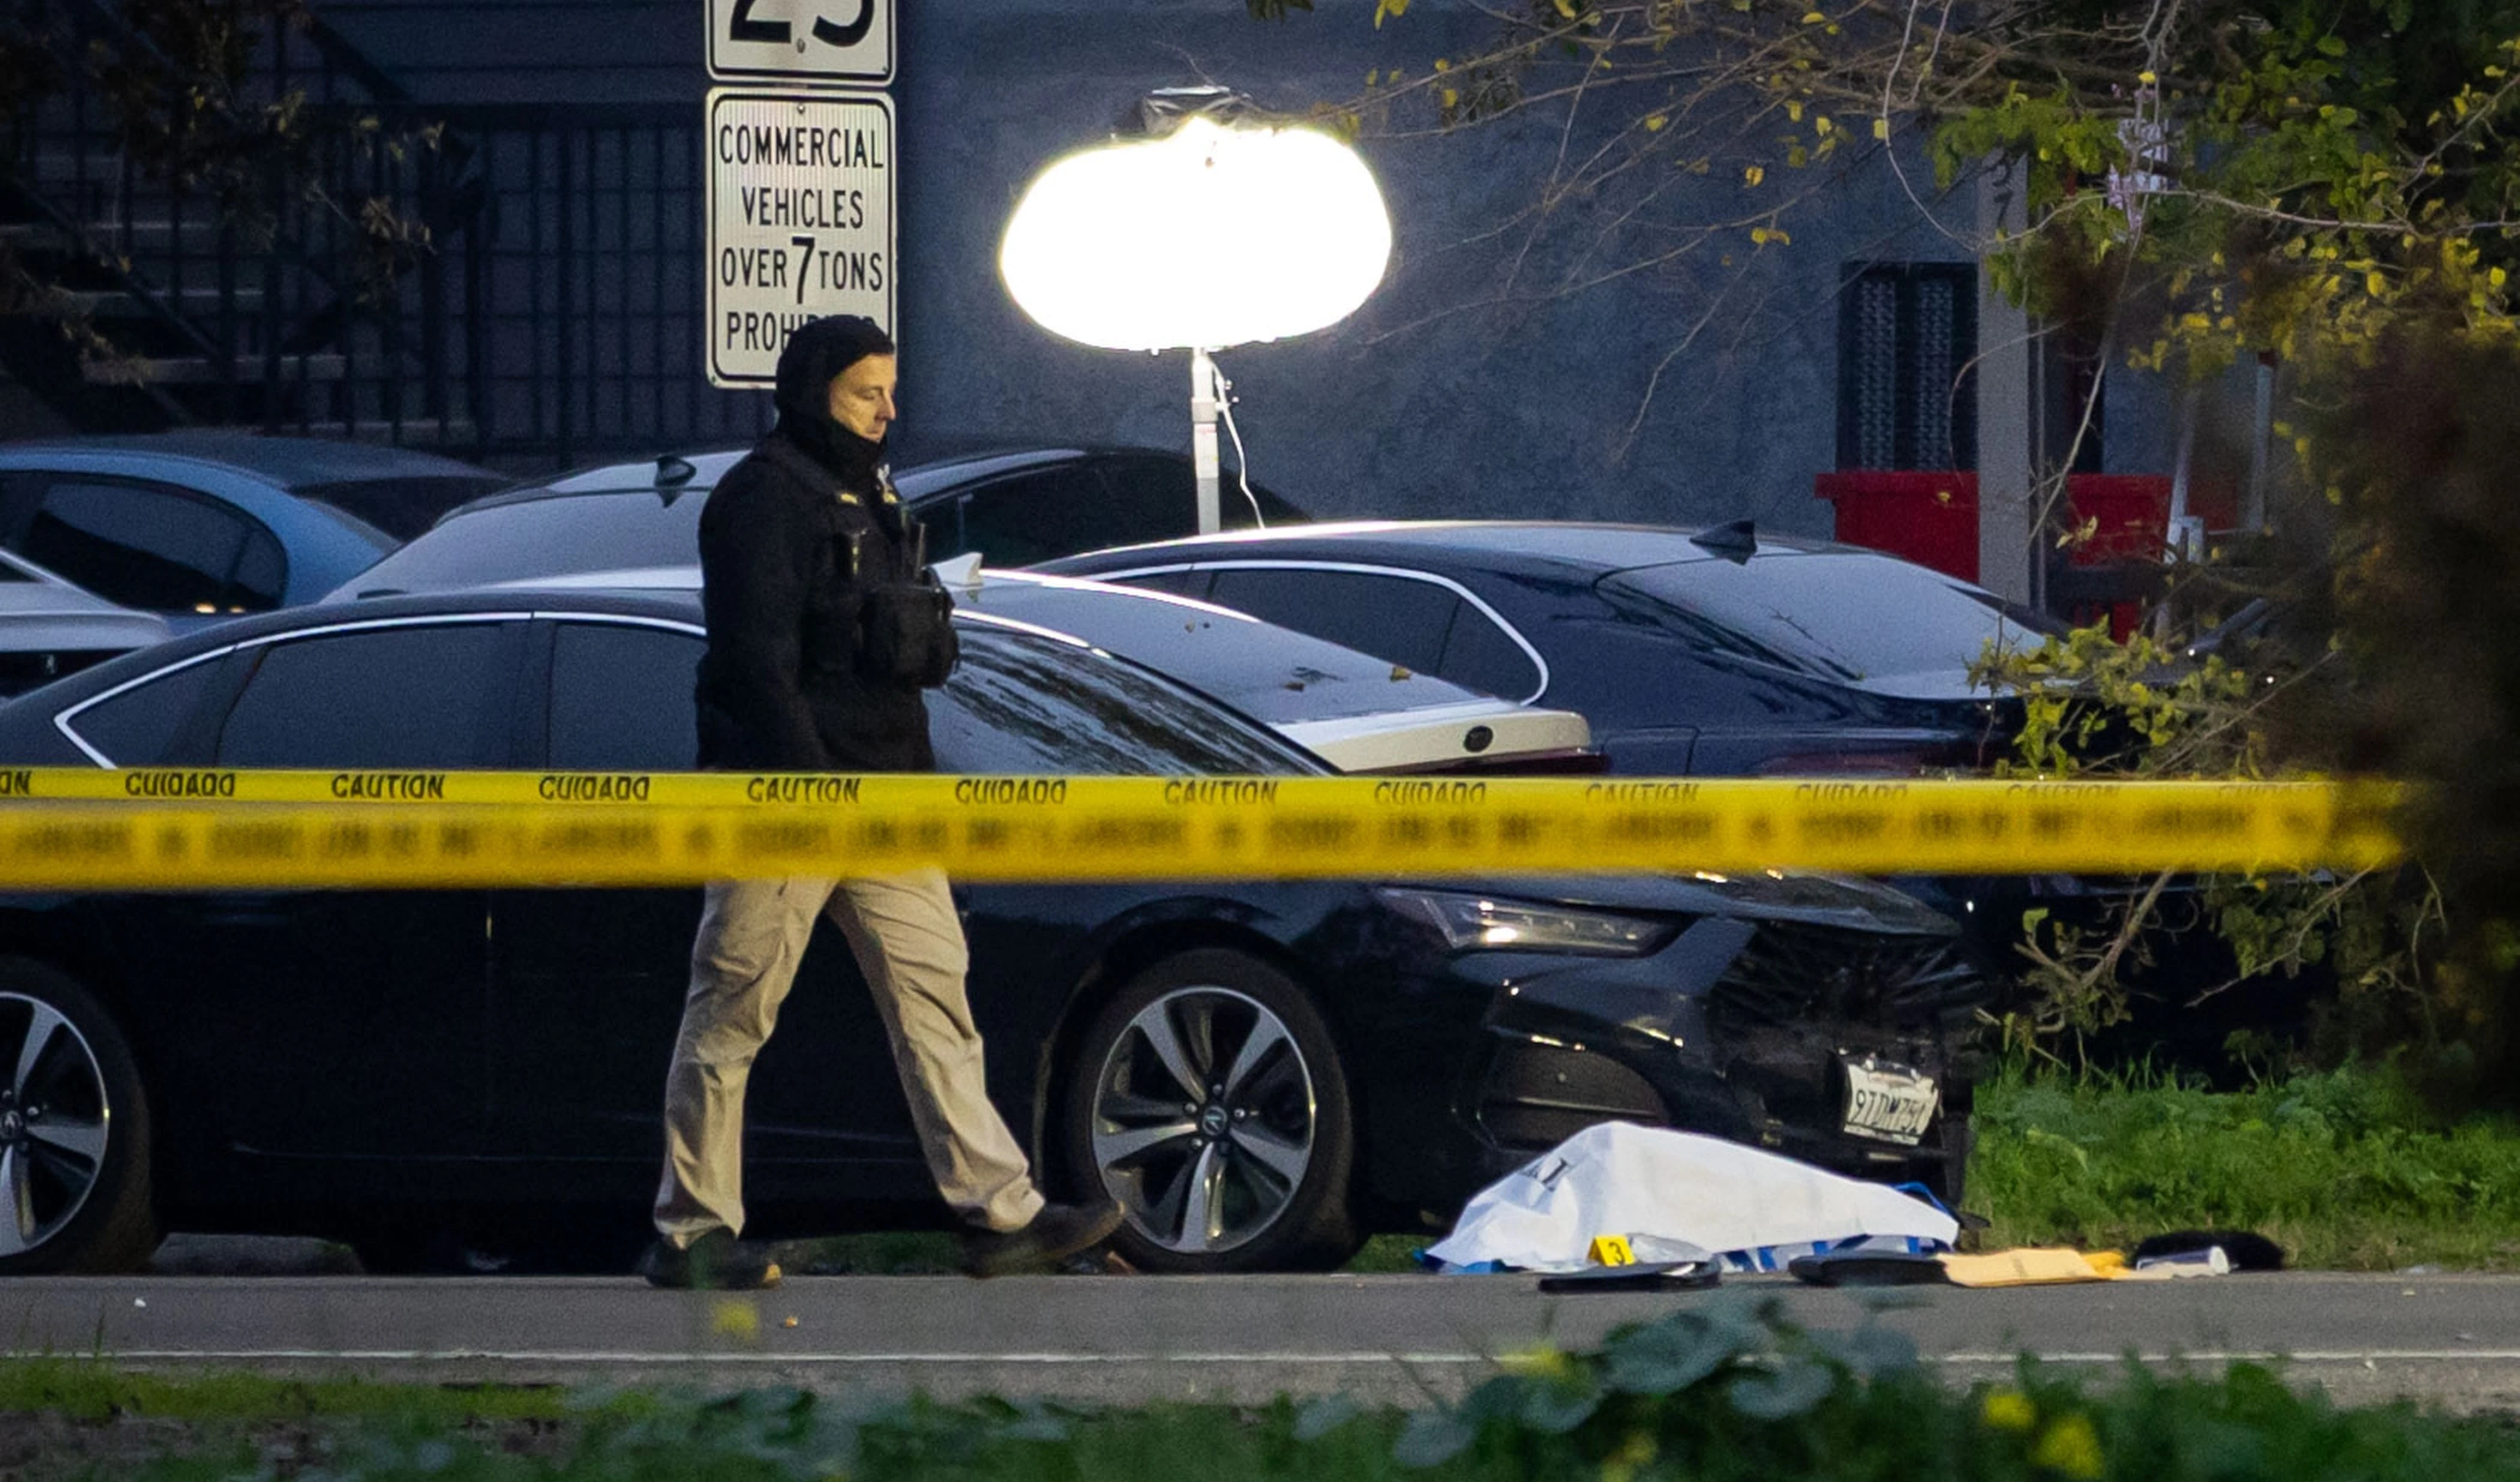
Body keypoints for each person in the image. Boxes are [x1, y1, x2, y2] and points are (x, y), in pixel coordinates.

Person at [637, 314, 1122, 1290]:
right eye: (868, 393)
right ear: (815, 393)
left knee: (939, 1002)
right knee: (734, 1008)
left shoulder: (871, 492)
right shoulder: (761, 500)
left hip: (887, 799)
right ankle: (691, 1231)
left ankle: (1003, 1215)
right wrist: (810, 782)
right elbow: (752, 663)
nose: (888, 411)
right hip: (789, 799)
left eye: (892, 392)